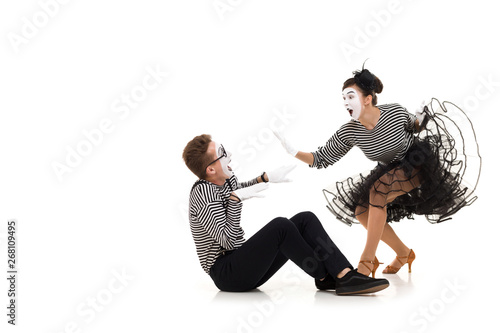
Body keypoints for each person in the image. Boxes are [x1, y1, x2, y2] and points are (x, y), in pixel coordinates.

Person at [274, 65, 480, 277]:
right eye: (343, 98)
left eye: (350, 97)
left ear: (367, 99)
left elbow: (415, 127)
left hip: (417, 161)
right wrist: (293, 151)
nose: (345, 102)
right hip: (390, 170)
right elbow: (321, 158)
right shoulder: (350, 131)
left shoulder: (395, 112)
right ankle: (404, 253)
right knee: (361, 211)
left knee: (378, 190)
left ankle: (365, 263)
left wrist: (421, 119)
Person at [182, 134, 389, 295]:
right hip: (227, 274)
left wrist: (264, 178)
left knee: (304, 219)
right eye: (222, 153)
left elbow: (239, 187)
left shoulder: (225, 179)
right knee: (281, 227)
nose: (230, 156)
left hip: (241, 262)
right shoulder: (202, 195)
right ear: (210, 170)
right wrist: (237, 200)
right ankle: (327, 274)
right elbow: (227, 241)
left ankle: (342, 274)